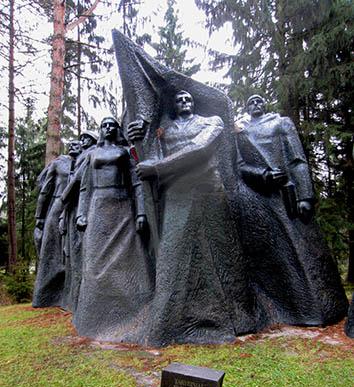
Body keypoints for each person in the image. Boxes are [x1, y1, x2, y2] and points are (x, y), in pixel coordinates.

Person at [128, 90, 264, 346]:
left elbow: (199, 149)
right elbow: (150, 156)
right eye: (178, 99)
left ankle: (239, 318)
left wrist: (157, 168)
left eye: (188, 98)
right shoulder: (164, 129)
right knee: (172, 254)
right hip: (177, 194)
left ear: (194, 102)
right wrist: (137, 140)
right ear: (174, 105)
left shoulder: (212, 121)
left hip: (209, 190)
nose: (184, 101)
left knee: (223, 253)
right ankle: (167, 324)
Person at [235, 95, 348, 325]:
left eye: (259, 101)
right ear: (247, 108)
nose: (256, 104)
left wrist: (306, 196)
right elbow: (239, 167)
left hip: (289, 195)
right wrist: (263, 175)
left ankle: (324, 308)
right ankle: (290, 310)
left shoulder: (281, 123)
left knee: (305, 253)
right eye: (251, 102)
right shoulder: (240, 132)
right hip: (261, 197)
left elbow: (297, 159)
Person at [73, 117, 154, 340]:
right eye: (104, 125)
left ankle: (136, 310)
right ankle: (94, 314)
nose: (108, 128)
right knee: (95, 260)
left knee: (129, 259)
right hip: (98, 205)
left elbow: (136, 183)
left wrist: (140, 212)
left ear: (117, 129)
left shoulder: (126, 152)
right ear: (100, 130)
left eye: (112, 125)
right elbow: (84, 187)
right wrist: (81, 213)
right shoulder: (91, 155)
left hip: (122, 205)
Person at [33, 140, 81, 307]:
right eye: (73, 144)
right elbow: (45, 191)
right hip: (57, 206)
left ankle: (71, 295)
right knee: (51, 250)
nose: (76, 146)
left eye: (79, 144)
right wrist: (39, 216)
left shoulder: (86, 160)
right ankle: (45, 294)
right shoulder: (59, 163)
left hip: (77, 207)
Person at [60, 131, 98, 311]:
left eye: (85, 139)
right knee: (74, 255)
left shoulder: (90, 154)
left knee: (79, 254)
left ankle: (79, 301)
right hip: (75, 207)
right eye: (81, 138)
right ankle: (74, 300)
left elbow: (78, 182)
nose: (81, 142)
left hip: (83, 207)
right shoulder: (81, 157)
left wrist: (64, 199)